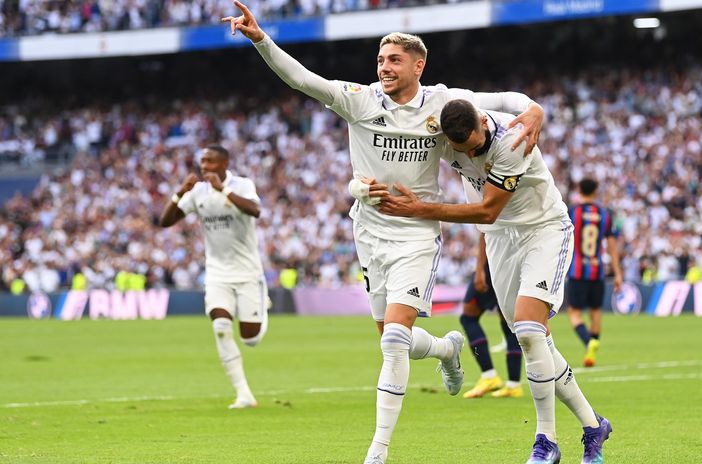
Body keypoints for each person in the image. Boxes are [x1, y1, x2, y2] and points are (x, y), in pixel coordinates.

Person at [223, 3, 545, 463]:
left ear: (419, 65)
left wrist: (533, 110)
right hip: (369, 234)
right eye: (380, 60)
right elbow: (301, 78)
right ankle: (447, 350)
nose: (384, 67)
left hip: (416, 234)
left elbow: (503, 99)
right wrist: (261, 39)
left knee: (393, 340)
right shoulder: (360, 99)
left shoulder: (440, 102)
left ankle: (378, 450)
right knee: (393, 339)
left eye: (394, 60)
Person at [377, 100, 611, 464]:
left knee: (531, 330)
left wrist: (535, 109)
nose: (470, 155)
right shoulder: (441, 128)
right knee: (535, 341)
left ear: (482, 123)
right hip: (499, 238)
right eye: (462, 151)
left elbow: (487, 208)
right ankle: (592, 425)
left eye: (475, 145)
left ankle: (545, 440)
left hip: (542, 229)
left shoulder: (511, 140)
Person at [159, 144, 267, 409]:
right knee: (220, 327)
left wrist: (224, 190)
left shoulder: (241, 184)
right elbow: (165, 222)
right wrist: (179, 193)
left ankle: (263, 305)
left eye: (210, 162)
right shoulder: (198, 193)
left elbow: (255, 210)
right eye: (202, 162)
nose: (204, 166)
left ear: (224, 163)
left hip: (248, 272)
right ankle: (244, 394)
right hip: (217, 273)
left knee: (250, 339)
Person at [566, 178, 622, 368]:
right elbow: (613, 247)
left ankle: (588, 342)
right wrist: (618, 274)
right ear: (596, 191)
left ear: (579, 190)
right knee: (596, 312)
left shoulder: (573, 212)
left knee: (574, 313)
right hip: (597, 271)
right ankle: (593, 345)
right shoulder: (604, 214)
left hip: (577, 271)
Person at [461, 233, 523, 399]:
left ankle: (489, 376)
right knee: (509, 323)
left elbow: (484, 232)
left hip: (494, 264)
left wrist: (480, 269)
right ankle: (514, 385)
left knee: (468, 317)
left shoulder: (494, 207)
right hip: (514, 264)